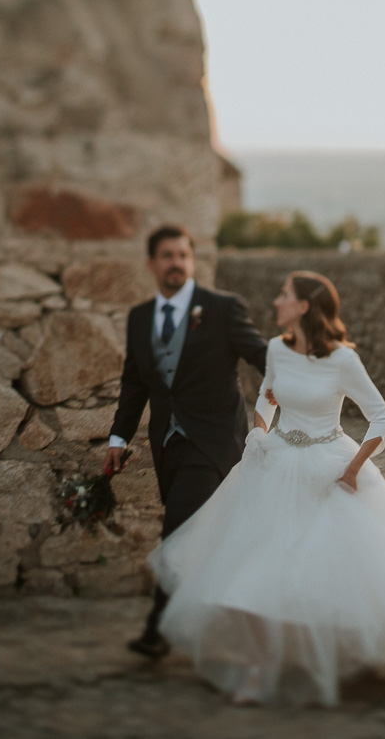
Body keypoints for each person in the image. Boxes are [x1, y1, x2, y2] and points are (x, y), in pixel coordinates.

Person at [146, 271, 385, 705]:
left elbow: (380, 416)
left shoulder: (342, 361)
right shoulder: (276, 348)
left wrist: (353, 469)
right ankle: (259, 667)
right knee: (248, 571)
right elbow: (266, 396)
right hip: (274, 463)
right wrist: (259, 433)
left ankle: (354, 654)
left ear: (304, 307)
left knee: (338, 573)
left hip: (327, 467)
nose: (276, 301)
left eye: (284, 295)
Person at [106, 225, 267, 659]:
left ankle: (157, 630)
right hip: (168, 445)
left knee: (176, 531)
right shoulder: (140, 317)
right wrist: (118, 437)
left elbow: (260, 354)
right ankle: (242, 618)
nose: (175, 262)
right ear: (152, 263)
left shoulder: (221, 308)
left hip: (213, 443)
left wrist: (308, 369)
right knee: (209, 537)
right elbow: (134, 384)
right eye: (166, 255)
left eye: (182, 255)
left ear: (191, 261)